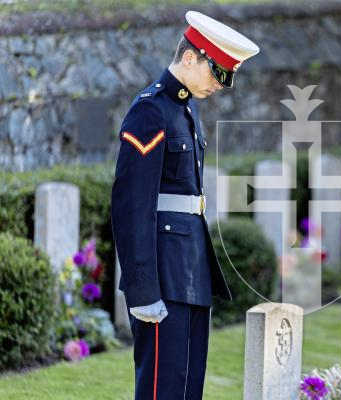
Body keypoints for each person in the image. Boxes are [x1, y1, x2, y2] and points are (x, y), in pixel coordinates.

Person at [111, 10, 260, 399]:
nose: (220, 85)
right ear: (191, 57)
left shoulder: (186, 109)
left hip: (191, 268)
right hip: (163, 274)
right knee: (163, 388)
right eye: (217, 72)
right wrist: (143, 289)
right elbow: (132, 204)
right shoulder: (151, 110)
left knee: (188, 388)